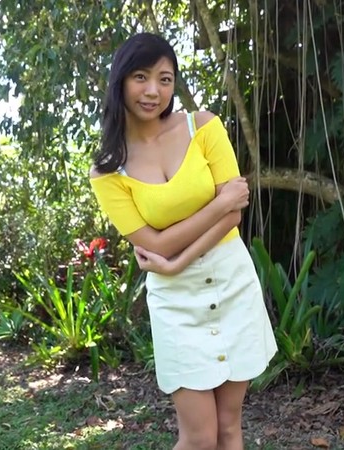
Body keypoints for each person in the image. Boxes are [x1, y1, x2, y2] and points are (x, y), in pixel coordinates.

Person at [89, 32, 277, 450]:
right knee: (199, 437)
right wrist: (216, 206)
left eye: (165, 79)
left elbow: (235, 214)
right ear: (121, 80)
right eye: (141, 77)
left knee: (228, 428)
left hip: (232, 281)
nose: (153, 91)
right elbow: (155, 244)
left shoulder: (203, 126)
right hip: (176, 302)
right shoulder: (108, 172)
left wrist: (176, 259)